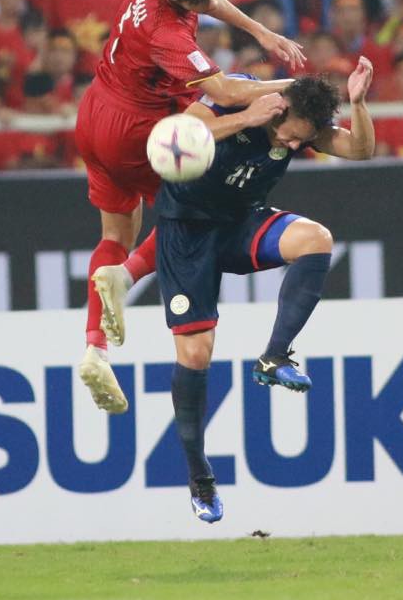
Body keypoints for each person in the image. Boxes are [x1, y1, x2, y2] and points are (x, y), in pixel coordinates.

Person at [94, 61, 376, 523]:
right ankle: (199, 475)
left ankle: (275, 357)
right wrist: (247, 118)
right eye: (289, 135)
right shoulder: (238, 96)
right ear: (276, 108)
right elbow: (176, 134)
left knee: (316, 239)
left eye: (301, 140)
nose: (291, 145)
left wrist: (359, 104)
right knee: (196, 355)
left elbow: (360, 149)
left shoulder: (301, 124)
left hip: (242, 223)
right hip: (186, 234)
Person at [74, 0, 306, 416]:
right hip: (138, 127)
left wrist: (261, 31)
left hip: (96, 111)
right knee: (202, 207)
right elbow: (222, 88)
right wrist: (292, 89)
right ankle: (127, 276)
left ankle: (95, 347)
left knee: (116, 231)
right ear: (181, 1)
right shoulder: (167, 35)